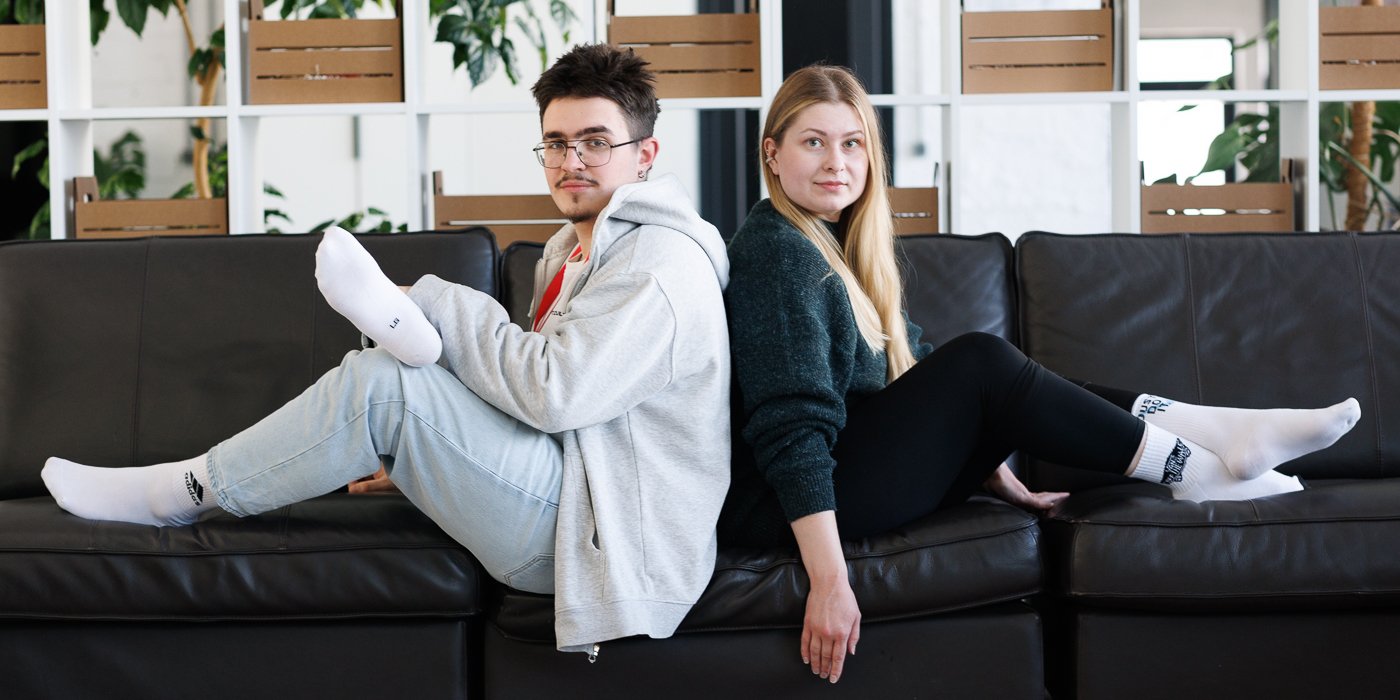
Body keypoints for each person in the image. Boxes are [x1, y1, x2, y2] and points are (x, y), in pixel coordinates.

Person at [40, 43, 732, 659]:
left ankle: (176, 492)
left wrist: (442, 301)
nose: (570, 162)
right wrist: (439, 461)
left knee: (386, 384)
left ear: (646, 155)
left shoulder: (656, 265)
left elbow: (556, 394)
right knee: (389, 378)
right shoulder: (575, 251)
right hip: (577, 500)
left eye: (595, 142)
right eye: (555, 143)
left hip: (609, 542)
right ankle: (406, 340)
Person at [719, 64, 1361, 684]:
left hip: (854, 478)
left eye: (852, 143)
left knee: (1006, 380)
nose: (836, 162)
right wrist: (830, 580)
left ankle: (1218, 442)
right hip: (805, 505)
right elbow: (790, 430)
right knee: (982, 361)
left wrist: (992, 466)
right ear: (772, 153)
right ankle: (1201, 466)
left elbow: (913, 375)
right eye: (814, 142)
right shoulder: (778, 254)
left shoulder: (836, 244)